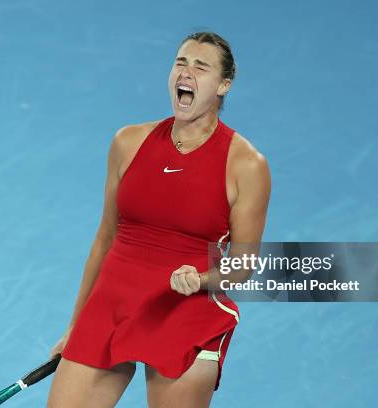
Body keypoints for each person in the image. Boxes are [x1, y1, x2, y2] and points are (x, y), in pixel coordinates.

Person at [46, 31, 271, 408]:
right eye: (181, 62)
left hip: (187, 310)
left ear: (223, 85)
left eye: (201, 67)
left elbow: (244, 265)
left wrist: (201, 280)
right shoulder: (128, 142)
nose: (187, 72)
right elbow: (105, 238)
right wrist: (76, 325)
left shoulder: (246, 164)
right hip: (113, 304)